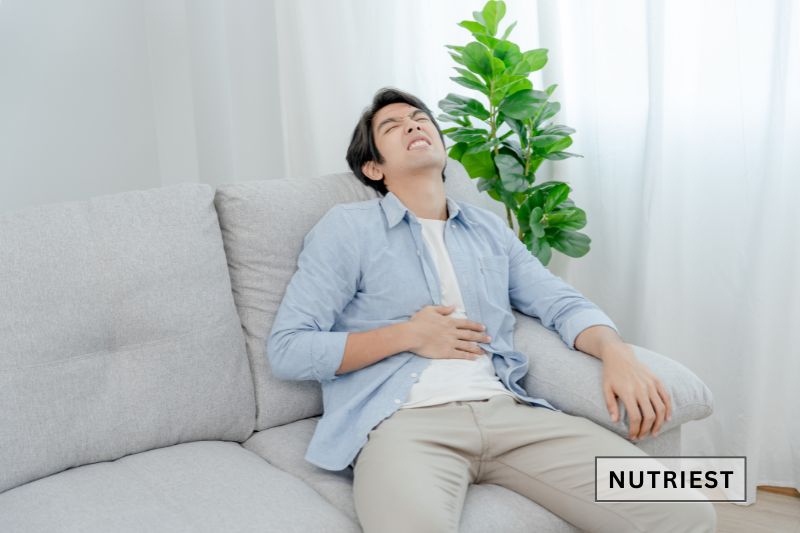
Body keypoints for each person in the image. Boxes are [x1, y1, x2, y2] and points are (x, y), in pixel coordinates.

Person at [267, 87, 716, 533]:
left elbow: (560, 302)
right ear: (373, 167)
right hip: (404, 424)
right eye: (391, 125)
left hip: (511, 412)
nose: (413, 124)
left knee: (687, 511)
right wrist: (409, 335)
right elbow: (288, 349)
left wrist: (618, 354)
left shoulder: (488, 230)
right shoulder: (347, 229)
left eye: (420, 118)